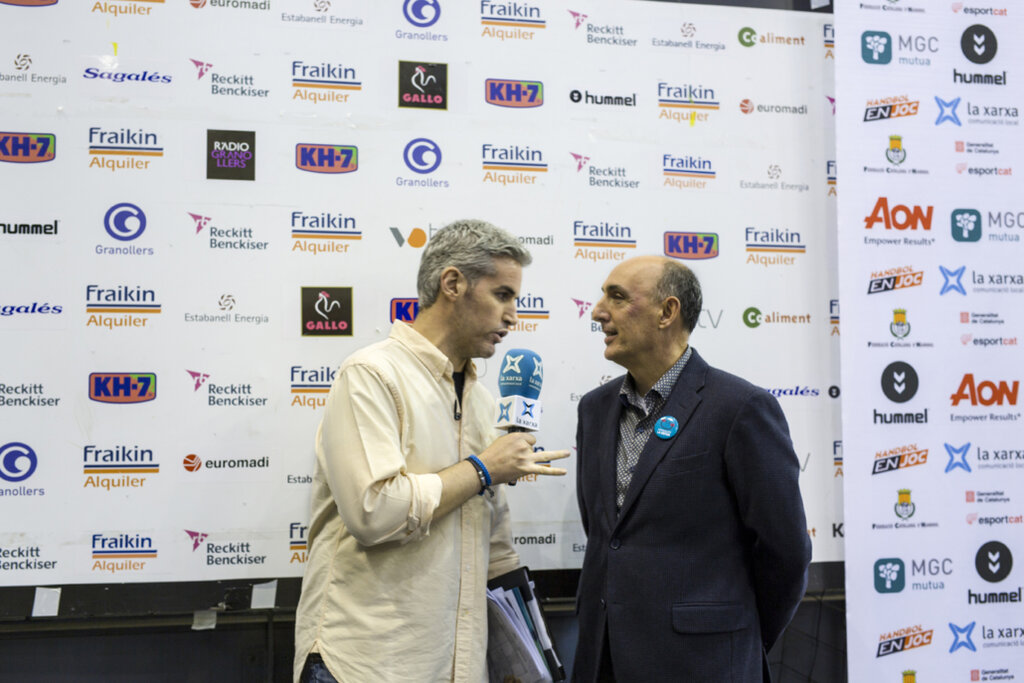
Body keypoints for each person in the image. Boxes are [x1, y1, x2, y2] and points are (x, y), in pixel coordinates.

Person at [293, 219, 570, 683]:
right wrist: (483, 468)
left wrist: (525, 653)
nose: (513, 317)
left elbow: (494, 543)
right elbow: (373, 512)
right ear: (453, 284)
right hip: (365, 664)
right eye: (502, 295)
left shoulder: (483, 401)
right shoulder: (372, 374)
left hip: (457, 663)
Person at [573, 255, 811, 682]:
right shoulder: (594, 409)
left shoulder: (740, 408)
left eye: (618, 297)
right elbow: (604, 534)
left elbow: (786, 552)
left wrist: (739, 636)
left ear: (667, 312)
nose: (597, 312)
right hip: (602, 660)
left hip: (705, 664)